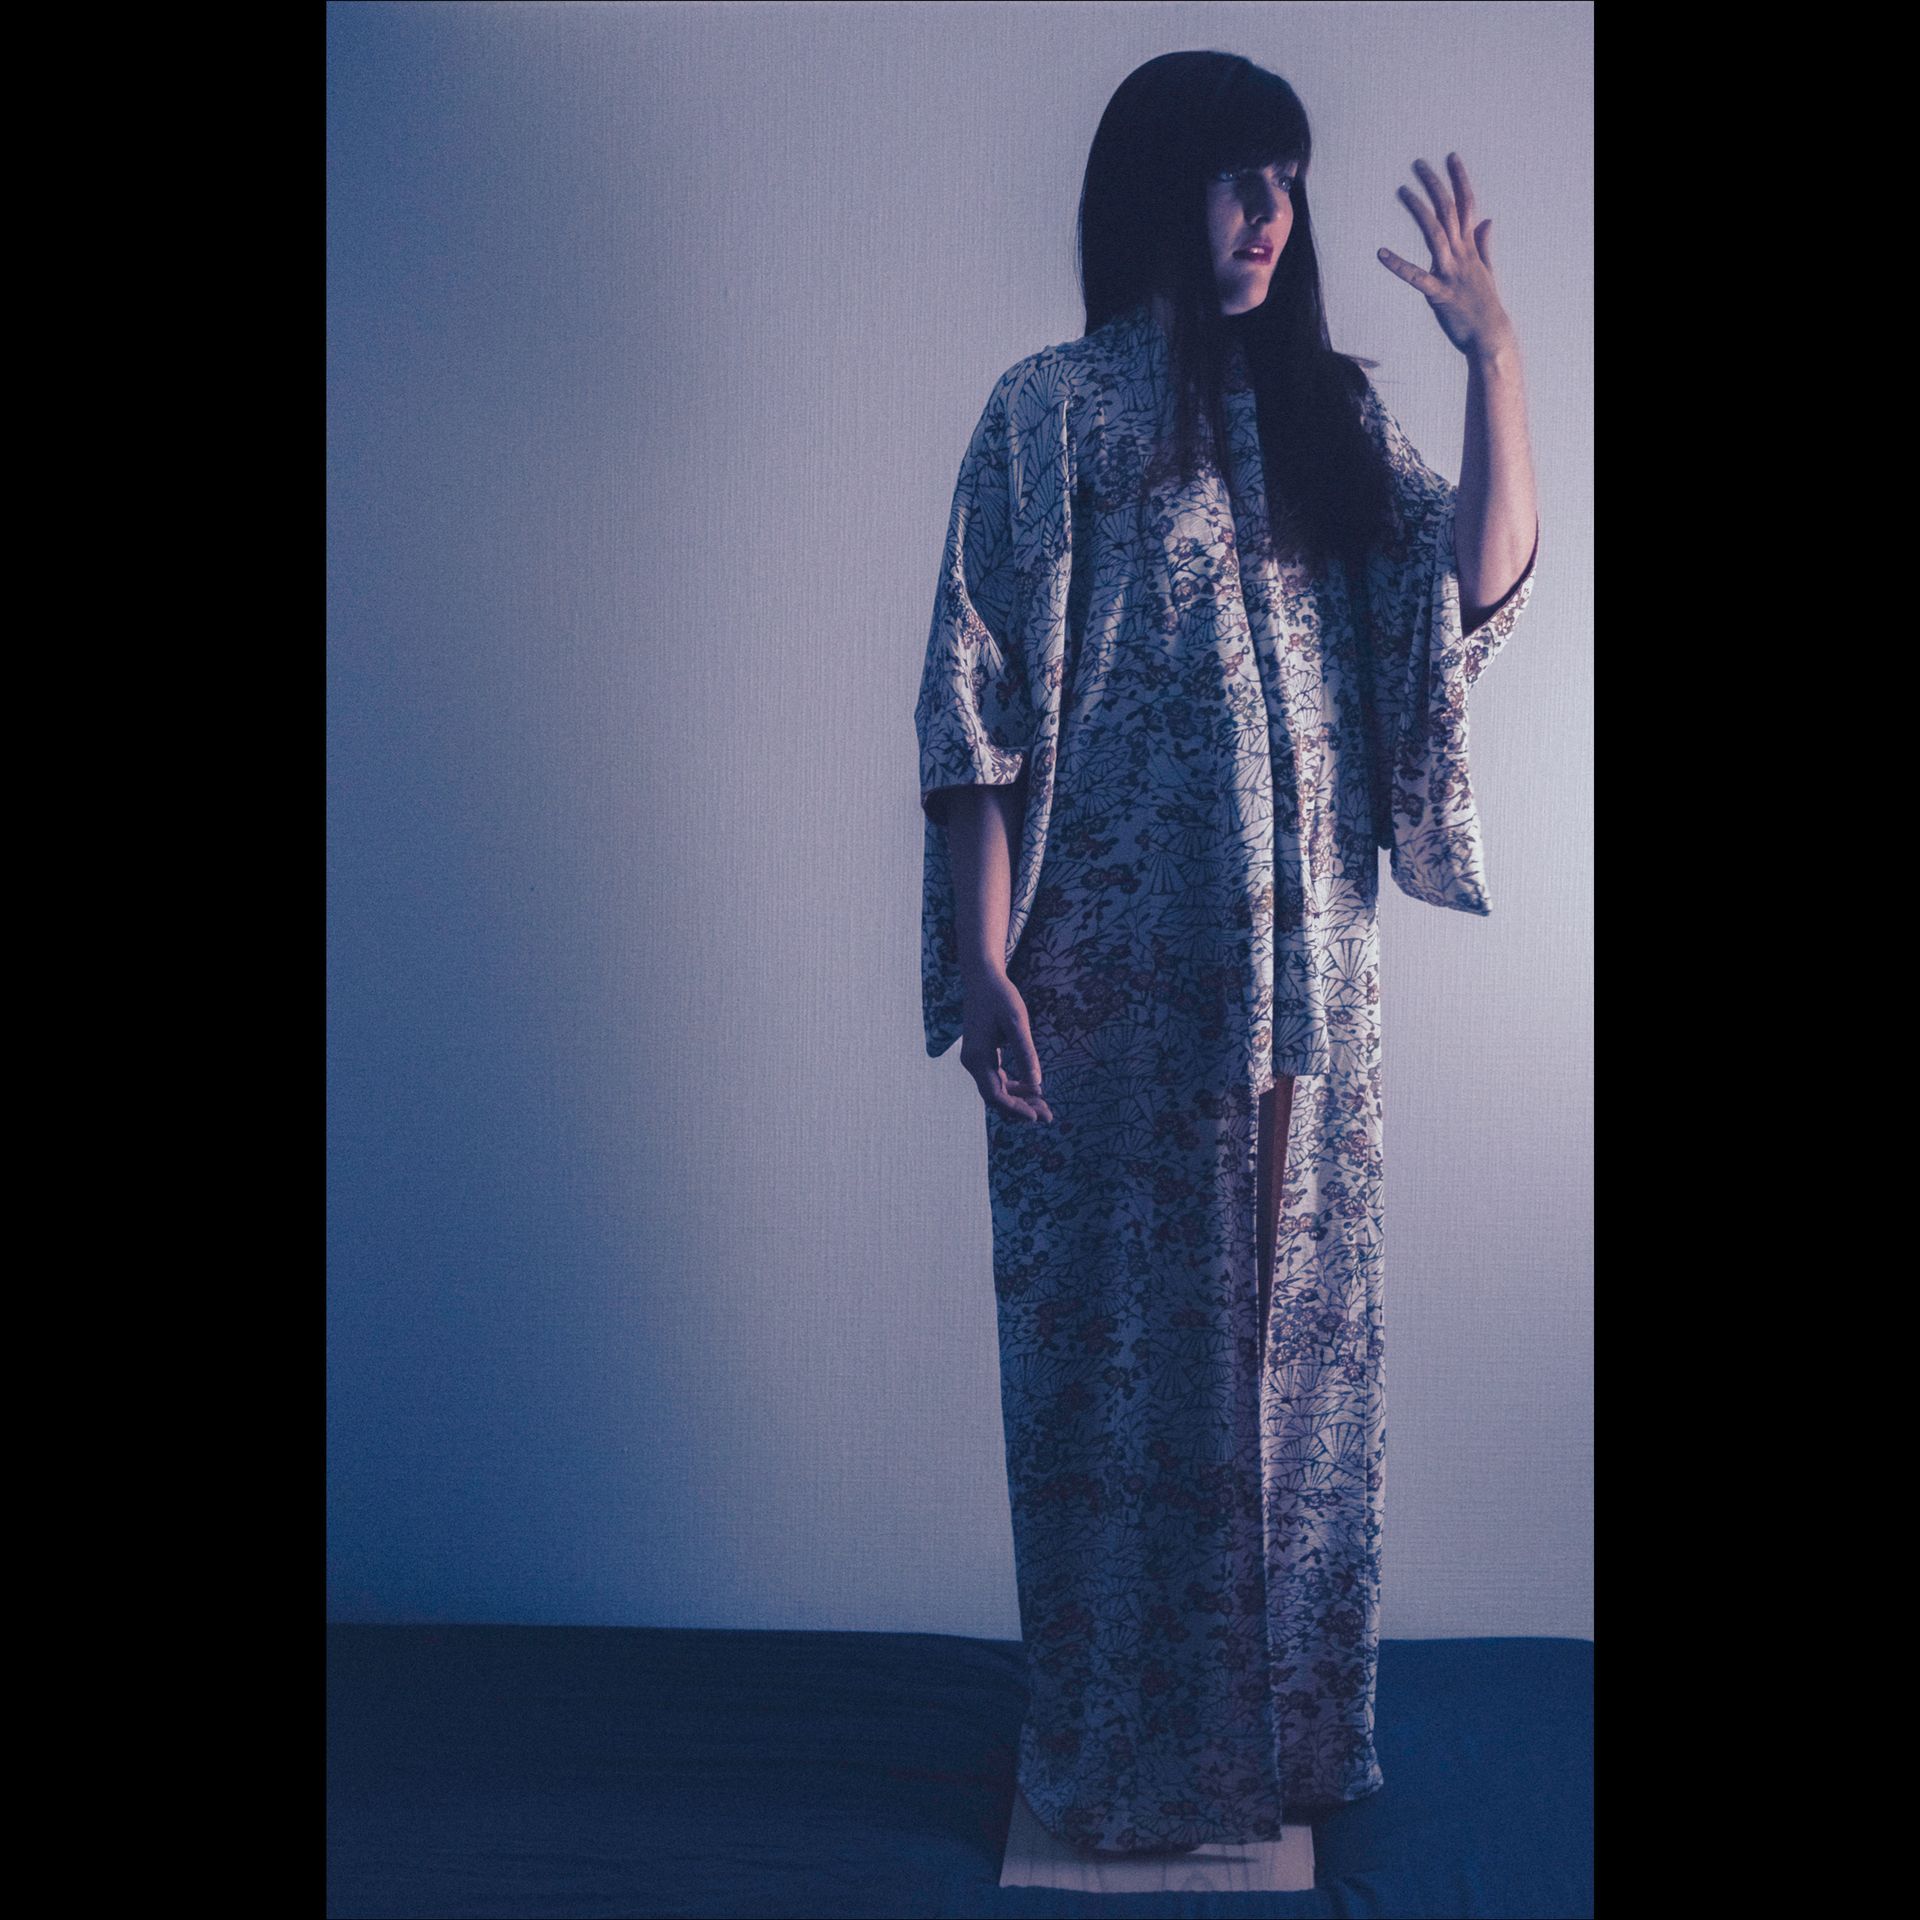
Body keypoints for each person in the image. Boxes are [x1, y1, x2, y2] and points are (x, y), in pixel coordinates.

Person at [914, 51, 1539, 1857]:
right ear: (1150, 192)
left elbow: (1472, 595)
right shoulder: (1053, 418)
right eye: (1231, 180)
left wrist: (1494, 355)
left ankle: (1263, 1761)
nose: (1267, 217)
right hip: (1110, 996)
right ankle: (1116, 1762)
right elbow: (980, 707)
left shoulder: (1333, 415)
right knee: (1128, 1371)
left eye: (1286, 181)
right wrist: (982, 962)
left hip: (1305, 993)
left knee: (1293, 1364)